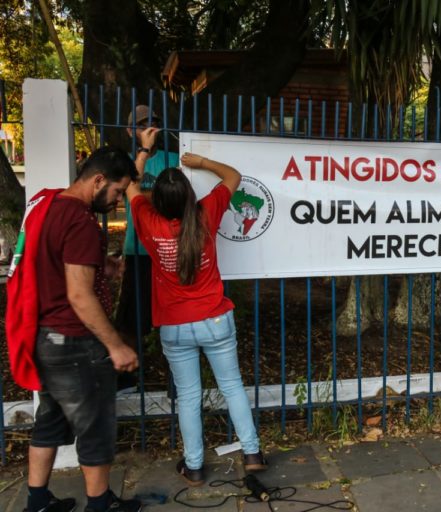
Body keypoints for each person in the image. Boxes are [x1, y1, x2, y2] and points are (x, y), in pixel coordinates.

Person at [125, 127, 266, 487]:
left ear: (156, 199)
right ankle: (252, 454)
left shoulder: (147, 219)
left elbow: (129, 183)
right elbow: (234, 176)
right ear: (189, 195)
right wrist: (201, 161)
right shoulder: (206, 213)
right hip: (215, 317)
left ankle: (195, 465)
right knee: (232, 386)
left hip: (174, 325)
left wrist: (144, 150)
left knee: (188, 397)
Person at [7, 147, 142, 512]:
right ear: (98, 180)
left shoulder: (47, 204)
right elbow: (79, 295)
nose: (116, 201)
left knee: (49, 420)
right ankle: (99, 505)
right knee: (95, 427)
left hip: (45, 336)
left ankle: (37, 500)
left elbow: (52, 261)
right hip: (75, 343)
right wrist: (115, 345)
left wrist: (103, 266)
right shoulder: (80, 222)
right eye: (117, 192)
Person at [114, 105, 179, 391]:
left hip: (167, 250)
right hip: (138, 250)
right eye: (143, 124)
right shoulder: (125, 162)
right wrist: (143, 153)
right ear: (131, 131)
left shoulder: (174, 159)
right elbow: (128, 187)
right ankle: (128, 378)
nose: (150, 128)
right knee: (130, 319)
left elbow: (178, 198)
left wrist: (141, 196)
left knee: (173, 317)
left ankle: (176, 378)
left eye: (154, 122)